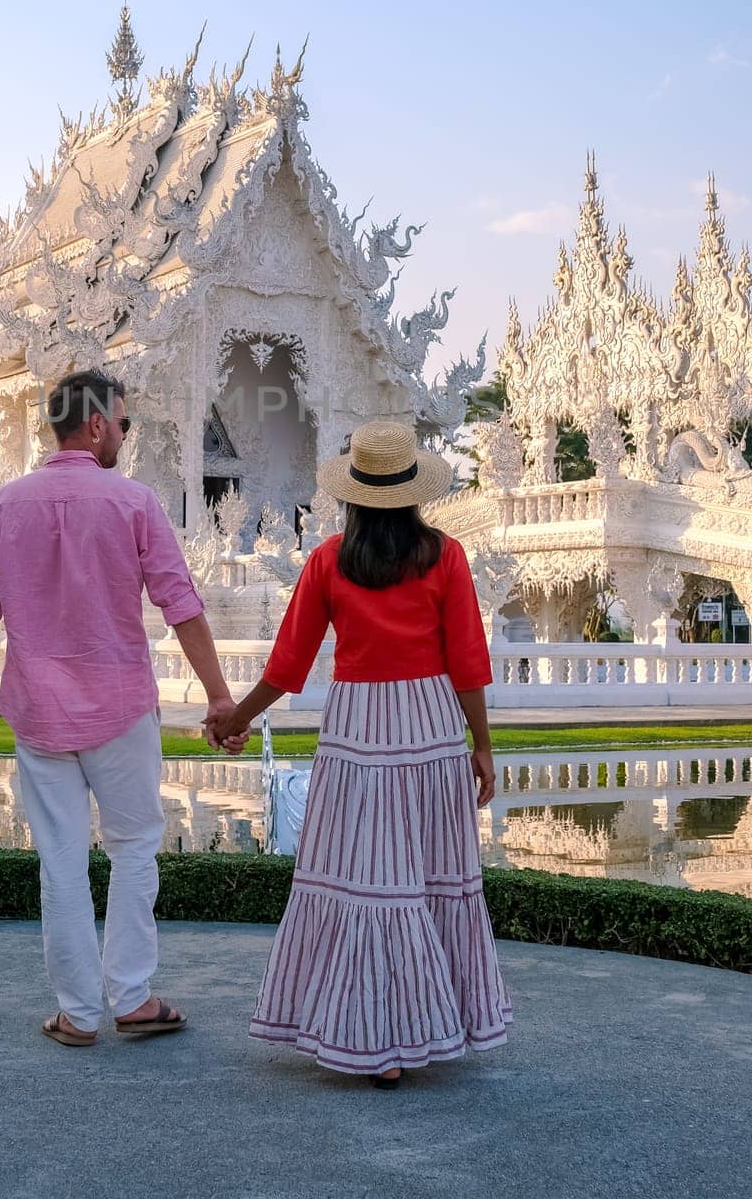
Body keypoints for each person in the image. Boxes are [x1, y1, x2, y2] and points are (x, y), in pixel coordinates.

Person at [206, 420, 512, 1087]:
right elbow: (467, 664)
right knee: (429, 881)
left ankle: (380, 1043)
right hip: (431, 729)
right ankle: (429, 1025)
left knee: (371, 880)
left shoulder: (329, 561)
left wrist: (236, 717)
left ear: (352, 495)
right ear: (412, 491)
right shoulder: (446, 556)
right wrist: (482, 745)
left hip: (359, 732)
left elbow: (287, 668)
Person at [0, 368, 243, 1047]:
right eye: (123, 421)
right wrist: (220, 695)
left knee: (59, 863)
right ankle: (133, 997)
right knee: (135, 849)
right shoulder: (134, 503)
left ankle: (78, 1014)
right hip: (119, 705)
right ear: (94, 424)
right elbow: (181, 605)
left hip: (37, 712)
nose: (124, 432)